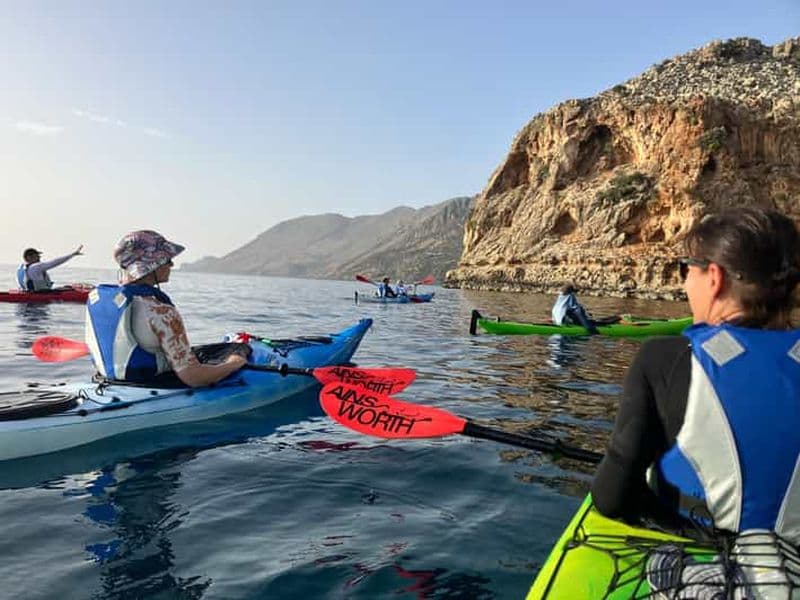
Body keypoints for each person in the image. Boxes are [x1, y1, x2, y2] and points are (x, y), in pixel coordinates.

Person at [592, 207, 800, 547]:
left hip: (696, 557)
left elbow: (611, 498)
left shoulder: (663, 359)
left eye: (686, 269)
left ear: (714, 278)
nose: (685, 281)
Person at [85, 230, 248, 388]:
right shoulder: (160, 311)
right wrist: (235, 363)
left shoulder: (96, 298)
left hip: (111, 380)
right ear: (152, 266)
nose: (171, 264)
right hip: (153, 383)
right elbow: (194, 378)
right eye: (166, 259)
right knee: (240, 349)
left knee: (199, 351)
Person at [16, 245, 83, 291]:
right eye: (37, 255)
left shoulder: (20, 268)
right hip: (40, 296)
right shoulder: (35, 267)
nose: (39, 257)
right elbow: (55, 262)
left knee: (68, 287)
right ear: (29, 257)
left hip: (30, 293)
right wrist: (73, 254)